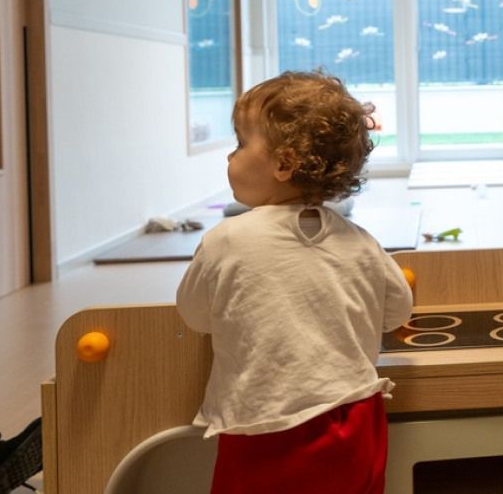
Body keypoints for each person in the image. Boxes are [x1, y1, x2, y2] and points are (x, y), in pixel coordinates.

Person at [177, 71, 414, 494]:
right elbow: (398, 310)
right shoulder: (361, 242)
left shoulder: (227, 240)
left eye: (239, 144)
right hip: (358, 417)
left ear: (284, 164)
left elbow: (195, 316)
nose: (230, 158)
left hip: (267, 425)